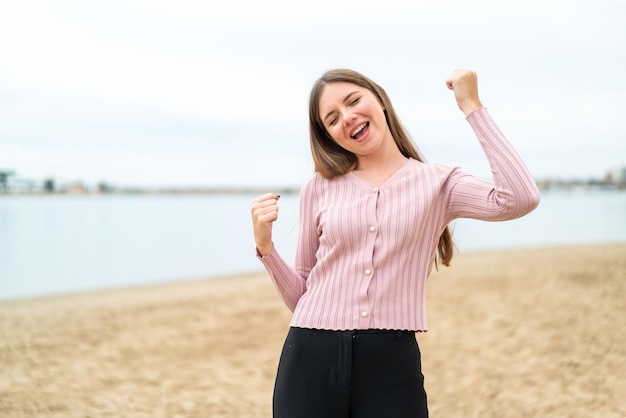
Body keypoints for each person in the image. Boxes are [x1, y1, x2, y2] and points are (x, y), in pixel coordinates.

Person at [250, 68, 540, 418]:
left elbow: (519, 198)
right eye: (332, 119)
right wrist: (266, 249)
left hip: (391, 361)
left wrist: (472, 107)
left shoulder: (439, 183)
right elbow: (302, 297)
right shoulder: (319, 186)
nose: (347, 117)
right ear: (328, 136)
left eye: (353, 100)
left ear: (379, 100)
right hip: (309, 355)